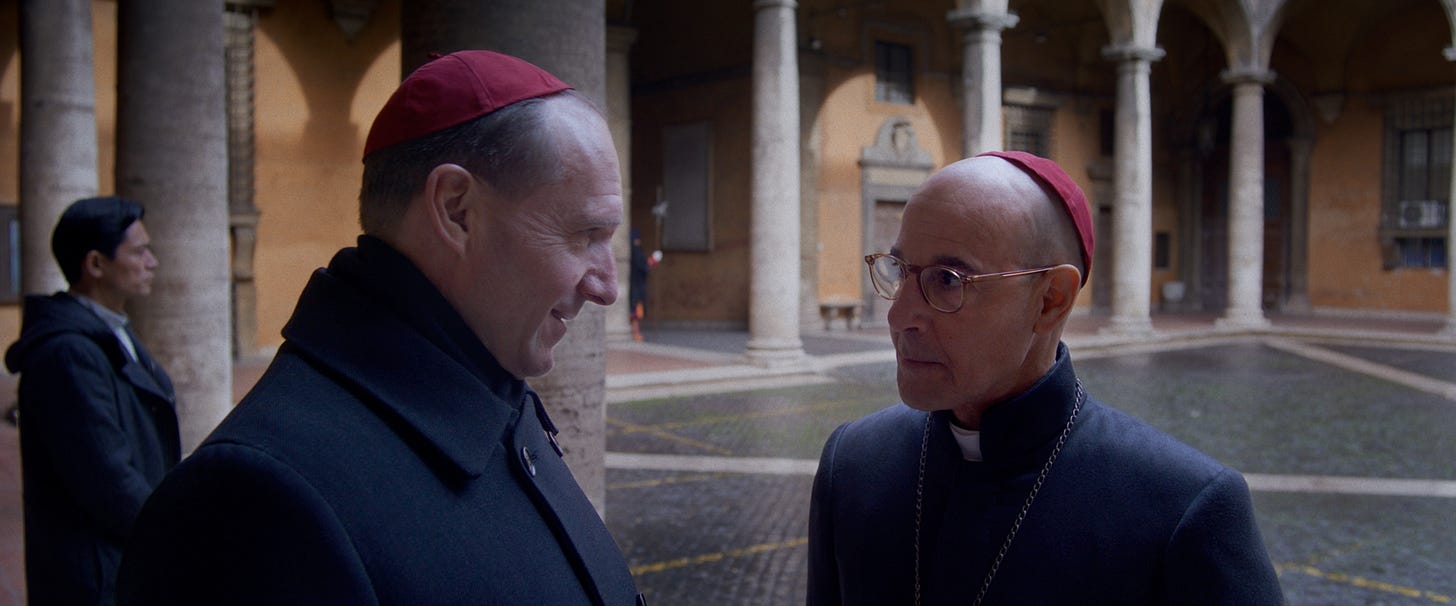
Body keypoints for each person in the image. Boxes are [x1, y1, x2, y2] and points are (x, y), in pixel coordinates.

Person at [116, 50, 645, 605]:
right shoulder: (252, 504)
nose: (607, 287)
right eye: (584, 235)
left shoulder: (489, 390)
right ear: (457, 210)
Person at [807, 151, 1284, 605]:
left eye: (948, 279)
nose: (900, 316)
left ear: (1051, 299)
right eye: (898, 269)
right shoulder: (852, 463)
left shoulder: (1186, 510)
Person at [4, 196, 178, 606]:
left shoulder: (111, 330)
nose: (152, 261)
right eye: (139, 251)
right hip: (95, 573)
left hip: (117, 558)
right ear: (96, 264)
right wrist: (172, 535)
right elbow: (108, 478)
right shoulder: (68, 354)